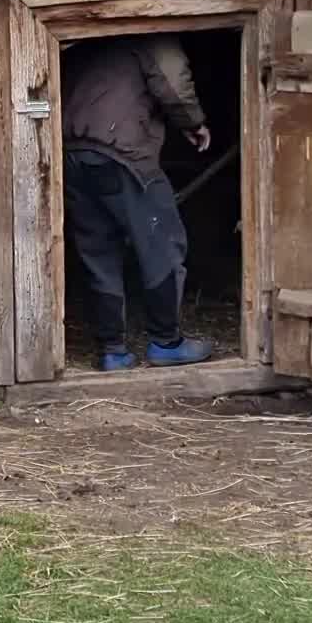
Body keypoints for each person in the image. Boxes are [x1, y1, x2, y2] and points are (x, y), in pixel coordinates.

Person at [61, 35, 214, 371]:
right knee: (161, 244)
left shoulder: (85, 39)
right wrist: (193, 122)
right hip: (122, 151)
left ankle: (112, 350)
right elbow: (172, 81)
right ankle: (166, 342)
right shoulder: (152, 32)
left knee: (98, 251)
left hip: (72, 151)